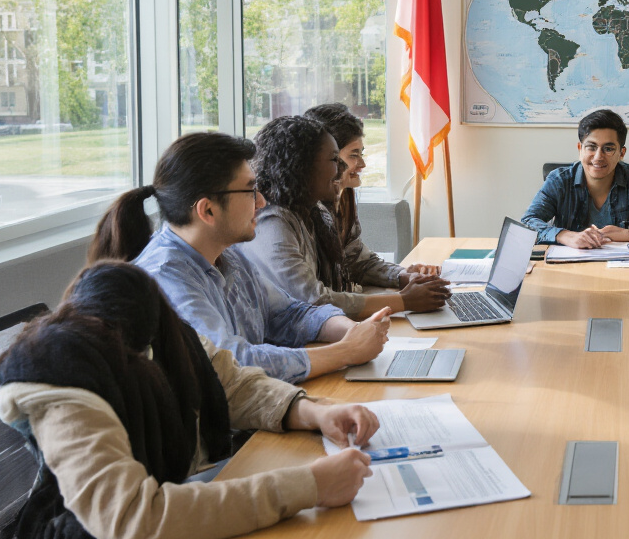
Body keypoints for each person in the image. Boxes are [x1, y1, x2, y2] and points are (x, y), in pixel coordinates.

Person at [0, 261, 378, 539]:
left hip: (163, 513)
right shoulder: (65, 386)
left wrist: (312, 411)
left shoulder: (163, 332)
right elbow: (130, 520)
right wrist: (307, 486)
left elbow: (234, 384)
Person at [89, 131, 391, 384]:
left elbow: (288, 314)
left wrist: (351, 331)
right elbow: (233, 362)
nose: (261, 202)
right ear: (207, 210)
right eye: (250, 191)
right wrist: (345, 352)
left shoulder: (229, 255)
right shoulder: (165, 277)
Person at [241, 114, 447, 319]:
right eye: (333, 160)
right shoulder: (273, 223)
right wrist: (404, 301)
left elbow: (355, 261)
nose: (341, 169)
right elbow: (313, 301)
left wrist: (403, 280)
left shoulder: (312, 212)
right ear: (301, 167)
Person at [303, 103, 441, 291]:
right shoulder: (303, 212)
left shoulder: (344, 199)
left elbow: (358, 262)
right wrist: (402, 301)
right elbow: (314, 296)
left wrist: (403, 275)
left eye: (362, 153)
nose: (362, 164)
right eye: (354, 155)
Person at [522, 108, 629, 247]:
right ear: (580, 148)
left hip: (627, 274)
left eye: (608, 149)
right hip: (569, 269)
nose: (598, 157)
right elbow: (527, 223)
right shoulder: (559, 181)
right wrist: (565, 235)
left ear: (621, 153)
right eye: (591, 147)